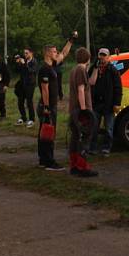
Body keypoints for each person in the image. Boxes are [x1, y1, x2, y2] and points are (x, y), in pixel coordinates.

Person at [37, 32, 77, 170]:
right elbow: (44, 89)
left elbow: (64, 54)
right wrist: (47, 107)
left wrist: (70, 40)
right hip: (46, 106)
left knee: (45, 132)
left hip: (50, 105)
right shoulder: (44, 69)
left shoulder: (52, 64)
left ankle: (43, 160)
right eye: (54, 51)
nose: (56, 53)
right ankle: (49, 162)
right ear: (48, 53)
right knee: (49, 133)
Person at [68, 47, 98, 177]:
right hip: (80, 111)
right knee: (84, 139)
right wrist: (84, 110)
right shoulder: (81, 70)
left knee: (75, 138)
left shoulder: (75, 69)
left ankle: (74, 165)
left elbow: (90, 82)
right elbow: (81, 90)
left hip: (74, 110)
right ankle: (82, 167)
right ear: (88, 58)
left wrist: (95, 68)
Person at [88, 48, 122, 156]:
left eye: (104, 55)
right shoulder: (93, 68)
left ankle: (106, 148)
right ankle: (92, 148)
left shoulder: (113, 70)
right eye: (100, 55)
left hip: (109, 104)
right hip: (96, 103)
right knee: (94, 127)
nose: (102, 57)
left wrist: (117, 103)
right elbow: (89, 82)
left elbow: (118, 88)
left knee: (109, 128)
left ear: (108, 57)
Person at [14, 48, 37, 127]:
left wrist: (24, 64)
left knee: (29, 101)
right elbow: (17, 71)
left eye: (27, 53)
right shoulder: (24, 61)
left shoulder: (34, 62)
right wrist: (18, 63)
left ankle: (31, 119)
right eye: (24, 53)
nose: (25, 55)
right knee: (20, 101)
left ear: (31, 53)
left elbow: (30, 71)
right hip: (22, 84)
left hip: (30, 84)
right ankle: (23, 117)